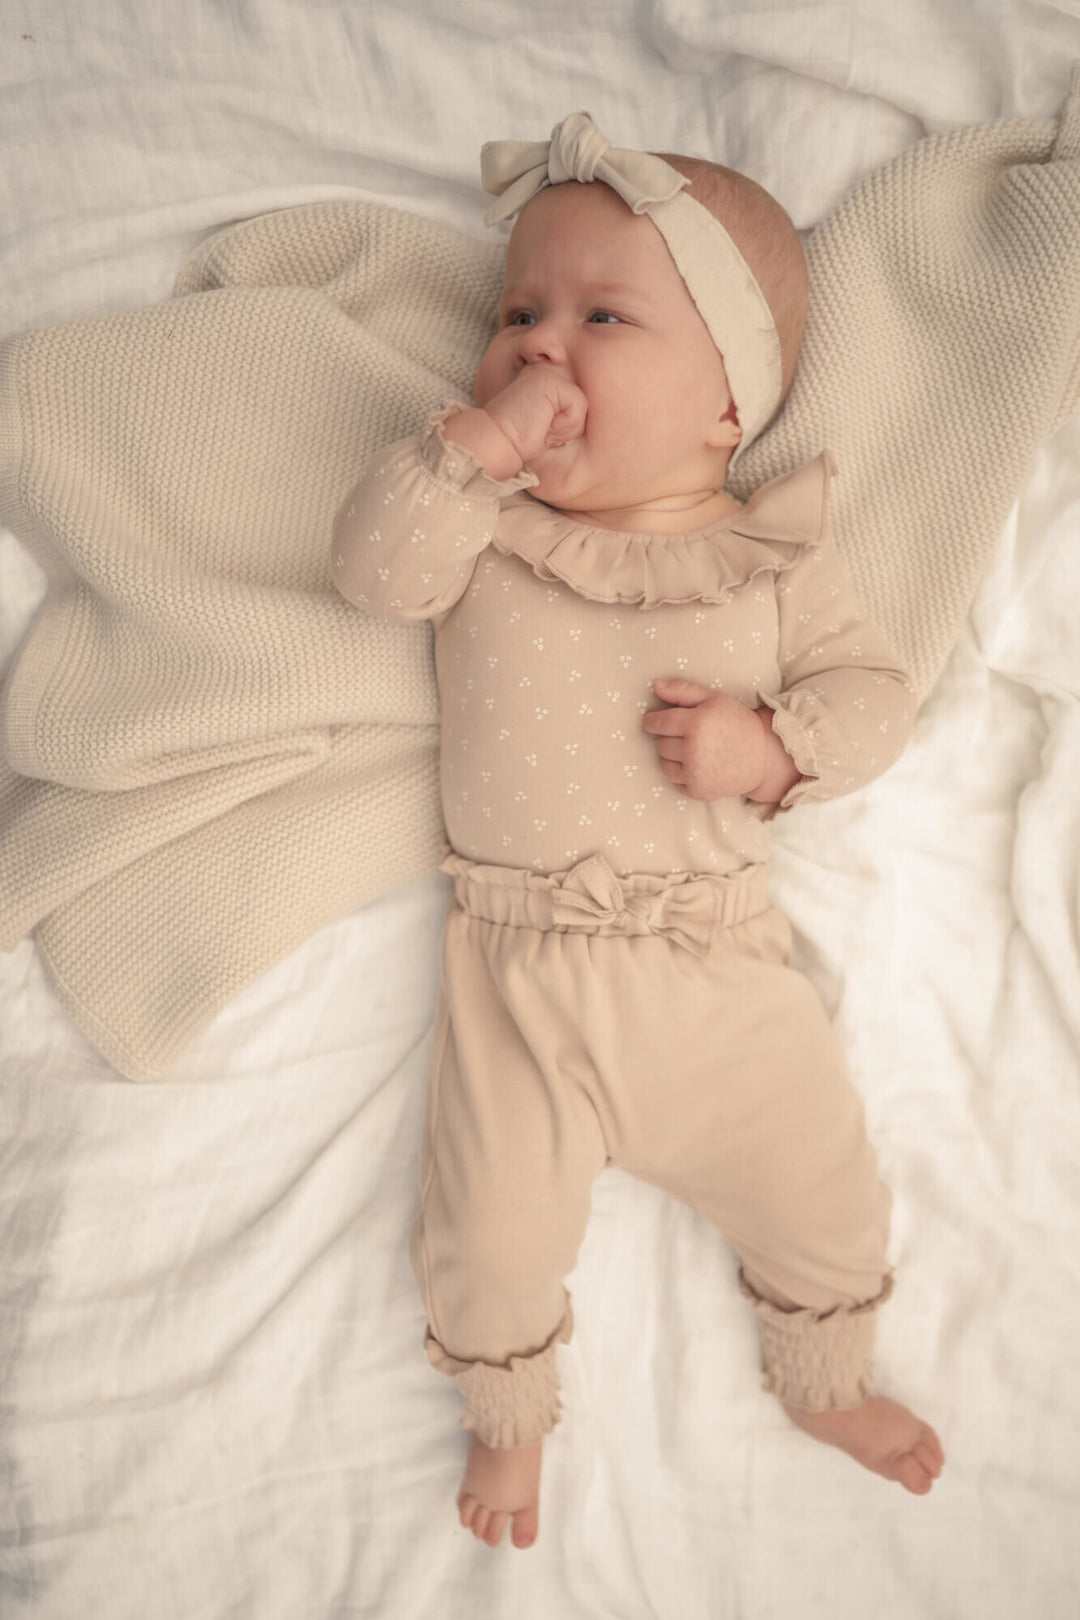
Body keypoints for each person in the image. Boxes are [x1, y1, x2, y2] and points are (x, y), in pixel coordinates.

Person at [331, 111, 946, 1552]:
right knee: (485, 1240)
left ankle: (826, 1374)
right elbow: (371, 574)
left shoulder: (771, 553)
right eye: (520, 313)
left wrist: (771, 747)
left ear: (728, 404)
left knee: (825, 1185)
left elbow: (875, 698)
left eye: (603, 317)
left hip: (711, 966)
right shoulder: (484, 524)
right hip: (518, 978)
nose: (542, 347)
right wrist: (469, 452)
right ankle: (508, 1422)